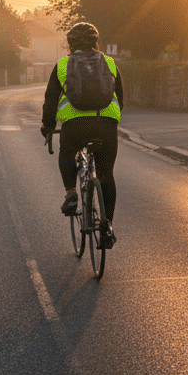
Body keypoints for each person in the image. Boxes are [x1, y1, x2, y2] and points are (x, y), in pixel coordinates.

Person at [41, 22, 123, 248]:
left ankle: (71, 194)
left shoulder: (63, 64)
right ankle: (107, 227)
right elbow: (120, 96)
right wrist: (110, 120)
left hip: (75, 125)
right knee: (107, 175)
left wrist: (48, 126)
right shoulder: (109, 62)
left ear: (70, 44)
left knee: (67, 152)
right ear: (96, 42)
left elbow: (50, 100)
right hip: (105, 124)